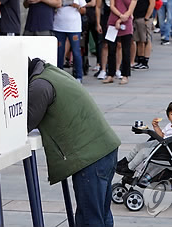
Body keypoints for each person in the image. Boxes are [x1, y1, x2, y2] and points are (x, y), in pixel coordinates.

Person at [27, 57, 120, 226]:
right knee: (101, 215)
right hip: (104, 149)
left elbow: (26, 122)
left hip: (90, 157)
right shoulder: (51, 72)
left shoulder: (39, 85)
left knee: (89, 219)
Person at [116, 100, 172, 174]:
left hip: (169, 150)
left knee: (143, 152)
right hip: (162, 144)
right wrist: (156, 127)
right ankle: (124, 162)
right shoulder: (169, 126)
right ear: (168, 117)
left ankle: (129, 168)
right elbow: (162, 136)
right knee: (139, 146)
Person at [102, 0, 138, 85]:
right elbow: (111, 5)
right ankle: (110, 74)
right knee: (111, 49)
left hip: (126, 24)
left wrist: (121, 19)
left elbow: (130, 10)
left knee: (125, 50)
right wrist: (118, 17)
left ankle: (125, 74)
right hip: (113, 22)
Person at [53, 0, 86, 82]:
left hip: (74, 27)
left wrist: (77, 7)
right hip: (59, 26)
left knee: (76, 51)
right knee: (59, 50)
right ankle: (59, 73)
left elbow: (84, 10)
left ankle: (78, 75)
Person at [131, 0, 156, 70]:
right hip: (137, 16)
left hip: (144, 17)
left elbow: (152, 3)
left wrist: (147, 17)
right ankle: (140, 59)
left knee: (146, 39)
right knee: (139, 40)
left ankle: (145, 60)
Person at [95, 0, 117, 80]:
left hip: (118, 17)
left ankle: (117, 69)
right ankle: (103, 69)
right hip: (107, 19)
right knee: (105, 44)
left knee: (118, 45)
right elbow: (98, 7)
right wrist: (98, 23)